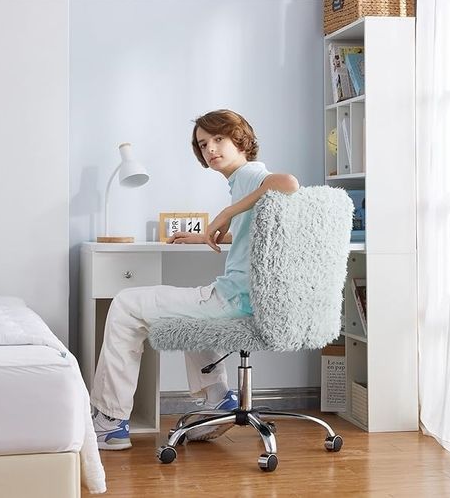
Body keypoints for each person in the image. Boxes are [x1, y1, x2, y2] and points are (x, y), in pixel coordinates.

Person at [91, 109, 299, 450]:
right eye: (203, 144)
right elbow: (258, 236)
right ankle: (217, 395)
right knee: (181, 306)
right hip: (249, 300)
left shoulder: (249, 174)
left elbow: (288, 184)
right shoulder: (245, 182)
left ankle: (109, 421)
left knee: (126, 303)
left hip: (234, 300)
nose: (210, 149)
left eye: (219, 139)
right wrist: (205, 236)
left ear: (241, 140)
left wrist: (227, 213)